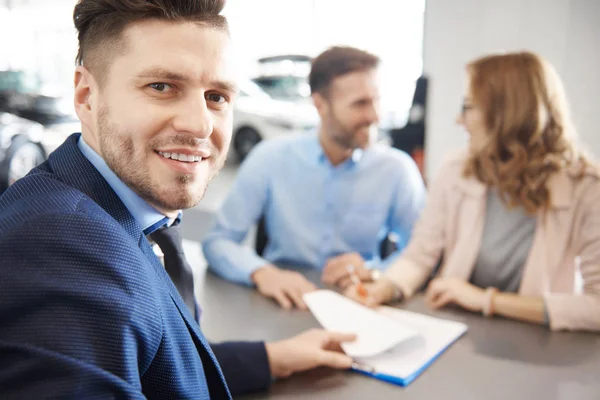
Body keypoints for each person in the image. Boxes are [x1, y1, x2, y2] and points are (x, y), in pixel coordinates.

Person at [0, 1, 357, 399]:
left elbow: (157, 363)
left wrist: (273, 358)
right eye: (161, 87)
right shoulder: (61, 248)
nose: (200, 123)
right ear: (86, 97)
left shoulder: (125, 210)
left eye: (217, 96)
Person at [345, 51, 600, 332]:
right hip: (456, 331)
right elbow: (420, 256)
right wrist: (383, 288)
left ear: (508, 114)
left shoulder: (585, 186)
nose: (459, 120)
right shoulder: (455, 168)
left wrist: (487, 301)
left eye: (468, 107)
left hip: (539, 346)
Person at [203, 46, 426, 310]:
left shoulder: (397, 169)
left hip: (361, 302)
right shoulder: (271, 158)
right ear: (320, 105)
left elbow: (421, 253)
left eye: (376, 100)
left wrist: (374, 270)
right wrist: (262, 273)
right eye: (360, 104)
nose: (375, 116)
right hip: (283, 303)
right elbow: (218, 242)